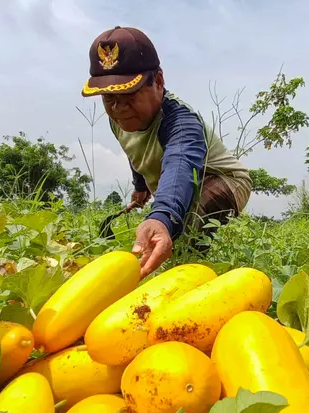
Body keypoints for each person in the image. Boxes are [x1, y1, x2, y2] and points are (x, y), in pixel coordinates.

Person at [81, 26, 252, 278]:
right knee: (173, 228)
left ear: (158, 81)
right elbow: (133, 152)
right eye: (109, 98)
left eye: (128, 94)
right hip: (176, 186)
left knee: (184, 238)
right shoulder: (116, 120)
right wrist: (140, 187)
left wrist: (161, 216)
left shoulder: (181, 122)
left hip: (222, 180)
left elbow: (180, 165)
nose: (118, 108)